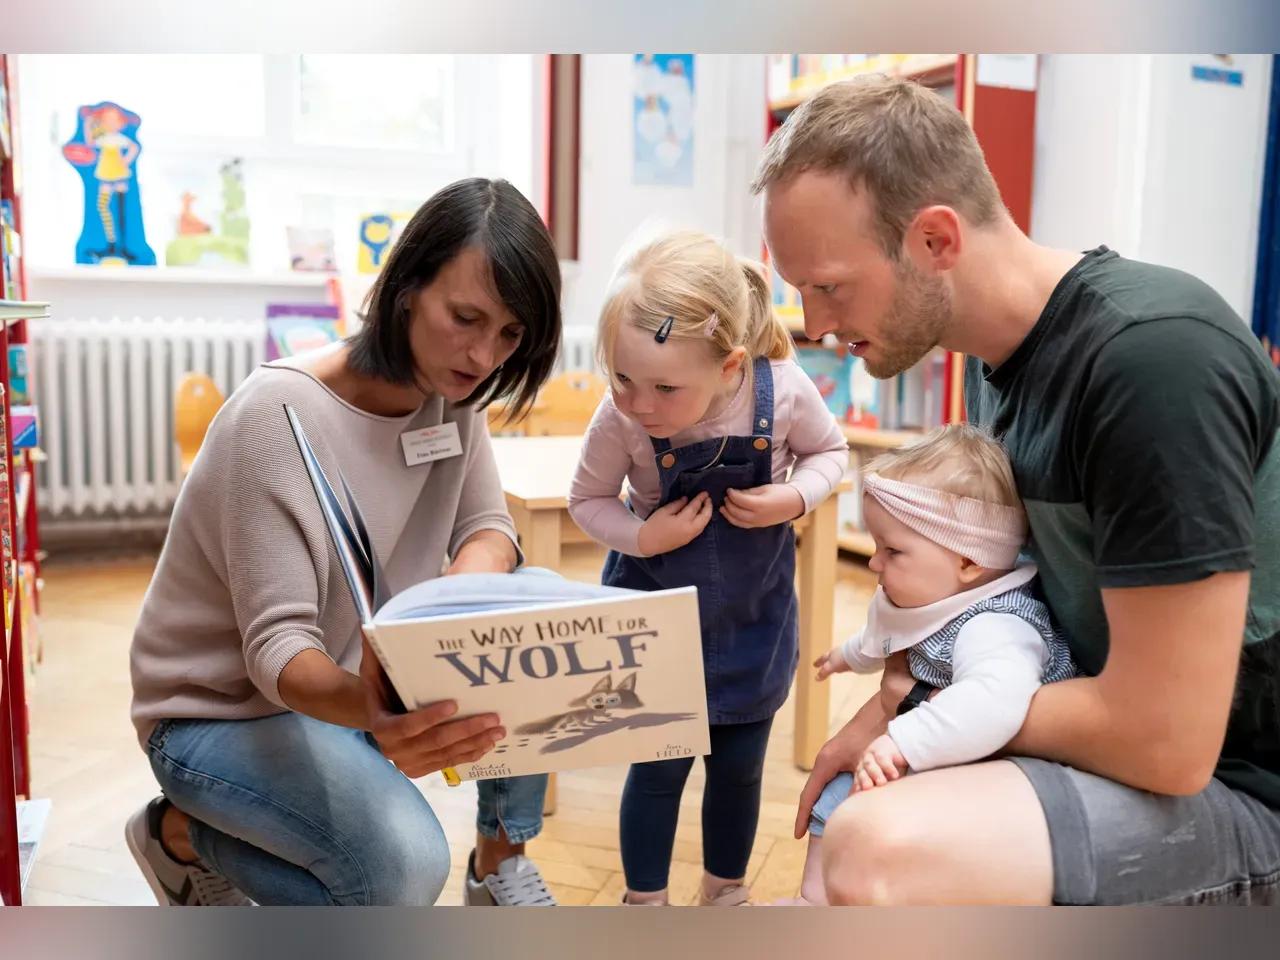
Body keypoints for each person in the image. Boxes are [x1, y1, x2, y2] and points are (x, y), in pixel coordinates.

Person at [755, 73, 1280, 905]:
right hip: (1105, 746)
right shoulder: (997, 372)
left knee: (875, 850)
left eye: (829, 286)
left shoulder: (1154, 361)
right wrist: (900, 697)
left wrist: (917, 710)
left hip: (1241, 790)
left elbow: (1168, 741)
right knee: (852, 818)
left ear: (933, 240)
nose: (815, 324)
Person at [126, 177, 566, 907]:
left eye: (510, 334)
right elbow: (278, 654)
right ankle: (178, 834)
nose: (484, 355)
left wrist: (463, 598)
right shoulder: (276, 415)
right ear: (406, 288)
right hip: (216, 713)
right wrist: (383, 715)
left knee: (539, 603)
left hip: (346, 687)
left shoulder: (453, 395)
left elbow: (488, 527)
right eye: (465, 318)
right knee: (399, 875)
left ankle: (498, 860)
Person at [568, 230, 849, 905]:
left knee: (739, 772)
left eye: (664, 387)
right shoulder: (626, 418)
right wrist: (642, 536)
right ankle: (644, 899)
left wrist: (793, 496)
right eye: (622, 378)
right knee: (658, 771)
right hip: (658, 621)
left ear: (729, 367)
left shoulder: (780, 390)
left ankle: (724, 890)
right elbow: (587, 500)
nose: (640, 402)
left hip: (753, 620)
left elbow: (831, 454)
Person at [782, 424, 1077, 904]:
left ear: (967, 562)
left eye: (892, 551)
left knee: (863, 808)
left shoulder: (997, 625)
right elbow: (884, 634)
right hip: (938, 740)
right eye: (876, 546)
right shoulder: (928, 592)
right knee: (837, 792)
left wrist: (901, 741)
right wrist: (846, 656)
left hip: (997, 762)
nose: (875, 564)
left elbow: (994, 703)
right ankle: (812, 898)